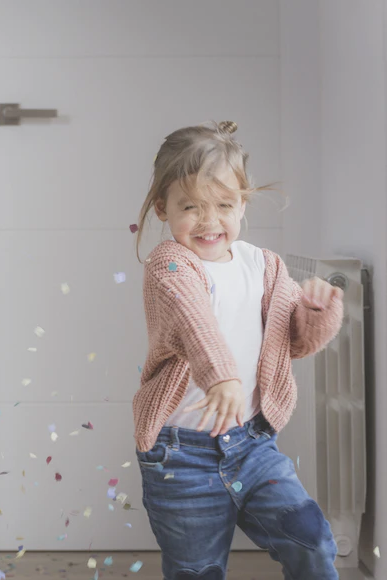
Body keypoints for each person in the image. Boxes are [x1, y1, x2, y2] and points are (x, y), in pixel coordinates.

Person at [132, 122, 344, 579]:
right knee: (197, 570)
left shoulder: (264, 266)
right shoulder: (169, 265)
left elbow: (296, 343)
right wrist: (222, 376)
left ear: (243, 204)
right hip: (180, 455)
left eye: (224, 205)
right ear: (162, 208)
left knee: (310, 539)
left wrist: (316, 309)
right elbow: (196, 324)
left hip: (252, 443)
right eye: (191, 206)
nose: (210, 221)